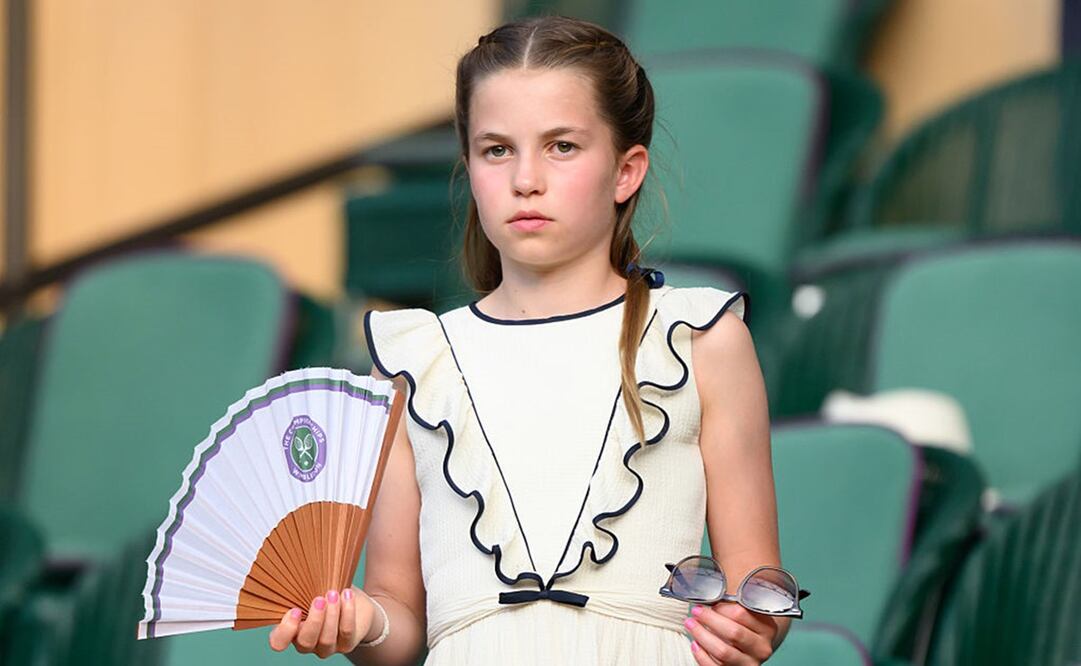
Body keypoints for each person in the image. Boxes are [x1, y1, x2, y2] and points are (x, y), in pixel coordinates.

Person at [270, 14, 789, 665]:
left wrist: (748, 627)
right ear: (469, 168)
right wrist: (356, 623)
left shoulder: (701, 337)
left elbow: (759, 589)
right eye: (496, 149)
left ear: (626, 171)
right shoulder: (412, 360)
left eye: (561, 146)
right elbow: (401, 618)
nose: (525, 179)